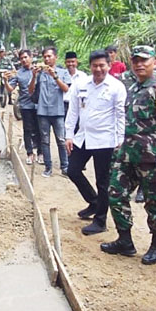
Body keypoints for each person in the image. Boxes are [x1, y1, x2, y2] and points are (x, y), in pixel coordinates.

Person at [101, 45, 156, 265]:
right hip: (127, 155)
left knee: (154, 202)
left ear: (154, 62)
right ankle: (125, 240)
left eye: (144, 60)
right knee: (115, 193)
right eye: (136, 61)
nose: (139, 64)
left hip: (151, 157)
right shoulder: (132, 87)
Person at [64, 50, 127, 235]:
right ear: (90, 66)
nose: (98, 69)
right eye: (95, 65)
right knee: (73, 170)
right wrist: (69, 135)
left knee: (103, 181)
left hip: (105, 140)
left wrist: (119, 140)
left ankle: (100, 221)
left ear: (108, 65)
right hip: (83, 137)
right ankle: (94, 201)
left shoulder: (116, 86)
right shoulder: (81, 84)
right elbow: (73, 111)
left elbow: (120, 115)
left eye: (102, 65)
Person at [30, 47, 71, 177]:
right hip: (42, 112)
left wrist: (55, 76)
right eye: (45, 57)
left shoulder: (63, 72)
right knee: (45, 141)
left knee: (61, 139)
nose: (47, 59)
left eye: (49, 56)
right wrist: (33, 76)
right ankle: (48, 167)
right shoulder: (40, 73)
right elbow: (31, 91)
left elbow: (66, 89)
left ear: (55, 57)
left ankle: (65, 166)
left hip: (58, 111)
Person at [6, 50, 41, 165]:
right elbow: (10, 89)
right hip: (25, 105)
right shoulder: (18, 73)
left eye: (26, 57)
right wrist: (5, 81)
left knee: (40, 130)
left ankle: (41, 153)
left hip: (39, 105)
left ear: (31, 57)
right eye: (21, 58)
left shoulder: (39, 70)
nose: (24, 60)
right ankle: (30, 153)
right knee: (27, 130)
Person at [63, 51, 90, 116]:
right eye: (68, 62)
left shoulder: (83, 76)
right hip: (63, 105)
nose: (70, 64)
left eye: (73, 62)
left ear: (76, 62)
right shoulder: (61, 75)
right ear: (65, 63)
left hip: (78, 105)